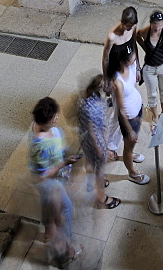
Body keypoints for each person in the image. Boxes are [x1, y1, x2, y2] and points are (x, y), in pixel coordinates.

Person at [28, 97, 81, 267]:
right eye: (53, 119)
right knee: (64, 210)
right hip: (50, 183)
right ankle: (64, 252)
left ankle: (49, 236)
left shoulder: (38, 125)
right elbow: (43, 175)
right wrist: (64, 163)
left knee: (49, 213)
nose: (57, 119)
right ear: (44, 122)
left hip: (53, 180)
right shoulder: (39, 146)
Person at [106, 42, 150, 185]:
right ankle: (132, 172)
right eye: (131, 55)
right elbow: (121, 110)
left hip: (137, 108)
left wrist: (137, 69)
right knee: (129, 145)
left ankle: (131, 152)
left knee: (132, 143)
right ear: (123, 61)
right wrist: (129, 131)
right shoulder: (117, 81)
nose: (134, 56)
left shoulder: (130, 66)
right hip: (129, 119)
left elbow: (135, 56)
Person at [77, 75, 120, 209]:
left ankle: (91, 183)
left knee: (90, 162)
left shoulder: (87, 100)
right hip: (95, 141)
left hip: (85, 141)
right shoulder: (94, 107)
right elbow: (93, 131)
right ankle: (102, 198)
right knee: (100, 169)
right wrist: (103, 148)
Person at [136, 10, 163, 131]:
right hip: (150, 68)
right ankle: (154, 116)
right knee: (152, 94)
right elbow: (137, 35)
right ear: (151, 24)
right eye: (155, 26)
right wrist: (146, 48)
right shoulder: (146, 31)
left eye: (160, 25)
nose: (157, 28)